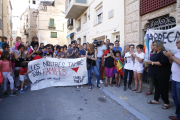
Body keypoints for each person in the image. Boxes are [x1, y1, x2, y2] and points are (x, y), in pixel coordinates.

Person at [146, 40, 171, 109]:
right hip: (156, 74)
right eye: (153, 45)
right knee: (157, 87)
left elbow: (162, 63)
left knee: (163, 89)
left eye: (154, 45)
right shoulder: (156, 53)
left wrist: (152, 63)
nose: (153, 46)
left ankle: (166, 103)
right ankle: (156, 100)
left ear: (158, 45)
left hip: (162, 74)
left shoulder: (163, 52)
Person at [163, 37, 180, 120]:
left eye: (177, 42)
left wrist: (171, 56)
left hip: (179, 80)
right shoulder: (178, 52)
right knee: (175, 97)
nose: (176, 44)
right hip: (175, 78)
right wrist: (170, 57)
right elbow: (174, 62)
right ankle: (178, 115)